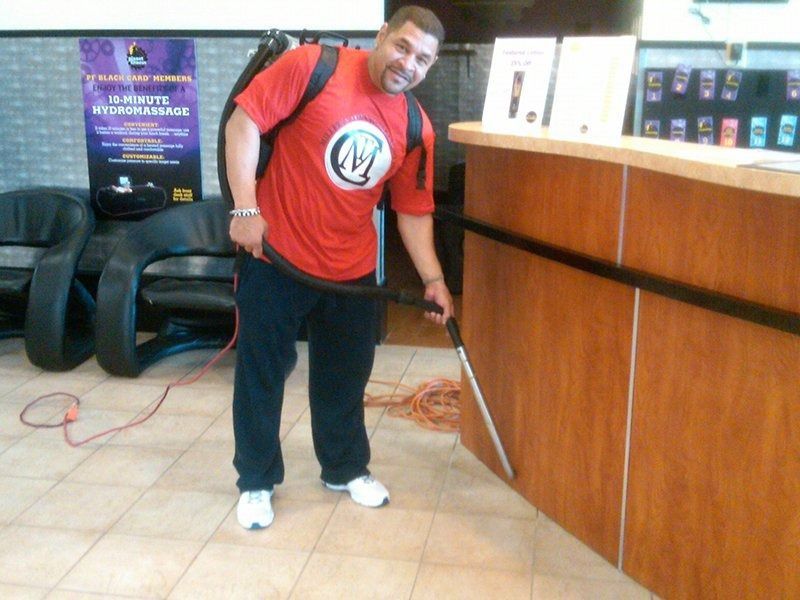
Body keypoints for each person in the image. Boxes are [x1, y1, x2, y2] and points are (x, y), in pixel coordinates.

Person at [225, 5, 453, 529]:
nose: (408, 63)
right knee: (262, 374)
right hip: (275, 257)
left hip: (351, 271)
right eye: (402, 47)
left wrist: (434, 280)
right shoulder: (314, 66)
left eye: (422, 59)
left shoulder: (416, 127)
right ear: (381, 36)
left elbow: (414, 212)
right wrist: (244, 208)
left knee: (345, 377)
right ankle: (256, 481)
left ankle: (344, 467)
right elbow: (244, 124)